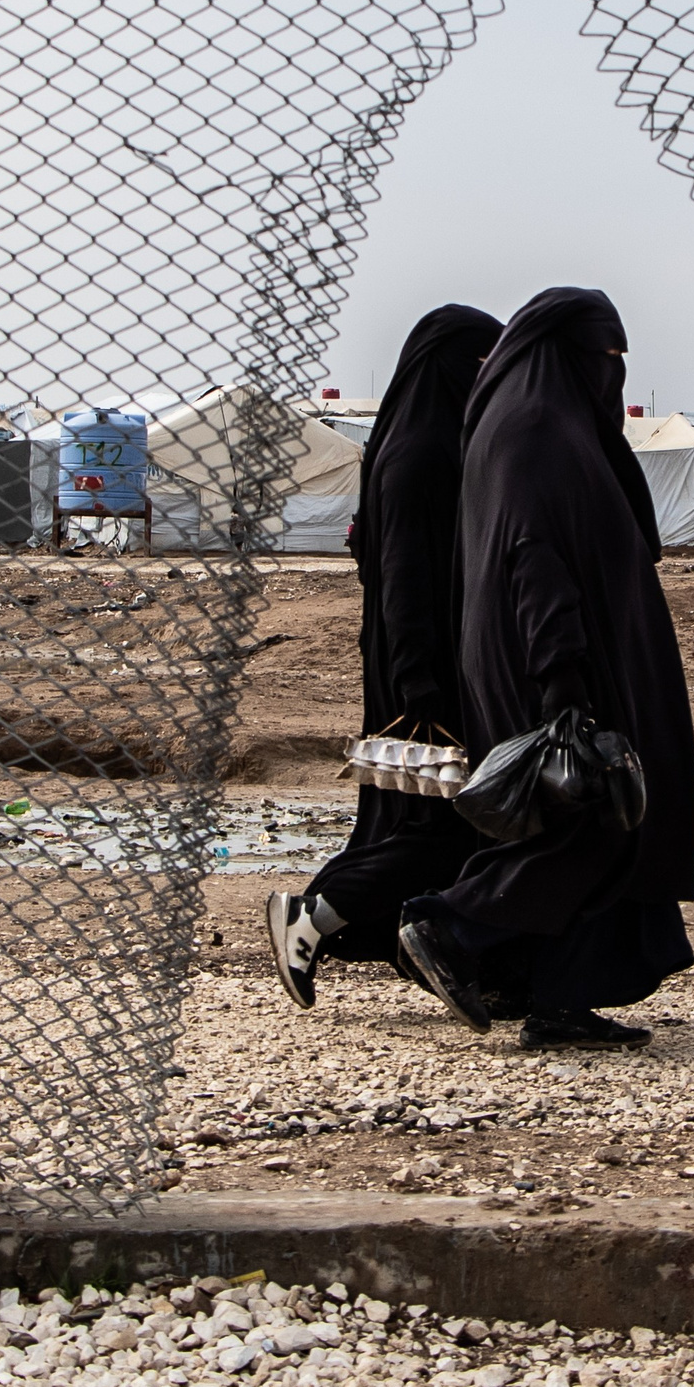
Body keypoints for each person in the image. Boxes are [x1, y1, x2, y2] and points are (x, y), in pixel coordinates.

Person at [394, 287, 694, 1050]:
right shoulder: (536, 432)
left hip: (549, 655)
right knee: (593, 818)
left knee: (599, 815)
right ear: (564, 355)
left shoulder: (532, 425)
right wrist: (564, 682)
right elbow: (534, 560)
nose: (613, 374)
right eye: (604, 357)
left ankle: (561, 998)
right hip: (552, 662)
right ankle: (453, 923)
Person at [267, 305, 501, 1008]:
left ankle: (424, 949)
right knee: (440, 820)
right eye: (480, 365)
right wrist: (422, 683)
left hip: (420, 663)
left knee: (419, 819)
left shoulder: (418, 444)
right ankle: (314, 916)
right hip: (418, 672)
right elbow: (402, 580)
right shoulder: (420, 454)